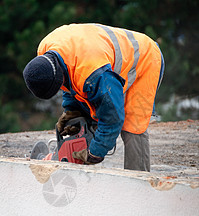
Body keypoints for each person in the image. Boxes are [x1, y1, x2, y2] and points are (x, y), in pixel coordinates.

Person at [23, 23, 165, 171]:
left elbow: (113, 117)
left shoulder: (95, 73)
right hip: (99, 62)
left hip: (144, 59)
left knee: (132, 127)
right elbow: (69, 78)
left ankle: (138, 183)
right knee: (86, 115)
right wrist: (72, 109)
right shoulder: (45, 51)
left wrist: (95, 152)